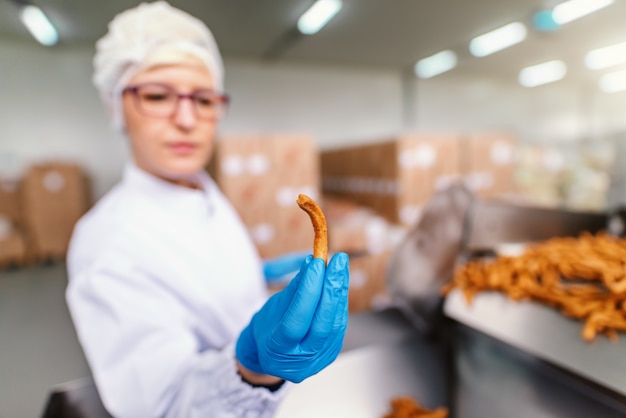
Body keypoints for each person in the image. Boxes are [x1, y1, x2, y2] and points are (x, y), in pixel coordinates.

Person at [65, 2, 350, 417]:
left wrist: (253, 275)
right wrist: (250, 370)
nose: (186, 118)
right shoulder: (106, 241)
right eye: (158, 95)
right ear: (116, 106)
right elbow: (163, 404)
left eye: (204, 99)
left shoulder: (201, 189)